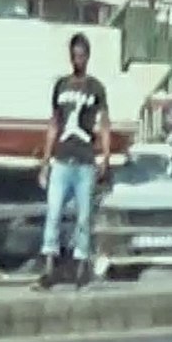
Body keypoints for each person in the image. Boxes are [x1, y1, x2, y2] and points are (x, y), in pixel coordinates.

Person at [33, 34, 111, 291]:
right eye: (74, 55)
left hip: (85, 161)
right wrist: (45, 161)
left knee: (84, 217)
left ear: (87, 57)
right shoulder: (61, 86)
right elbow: (54, 123)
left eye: (82, 55)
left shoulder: (96, 88)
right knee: (53, 214)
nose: (78, 60)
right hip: (62, 160)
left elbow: (103, 124)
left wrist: (105, 156)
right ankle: (49, 267)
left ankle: (81, 268)